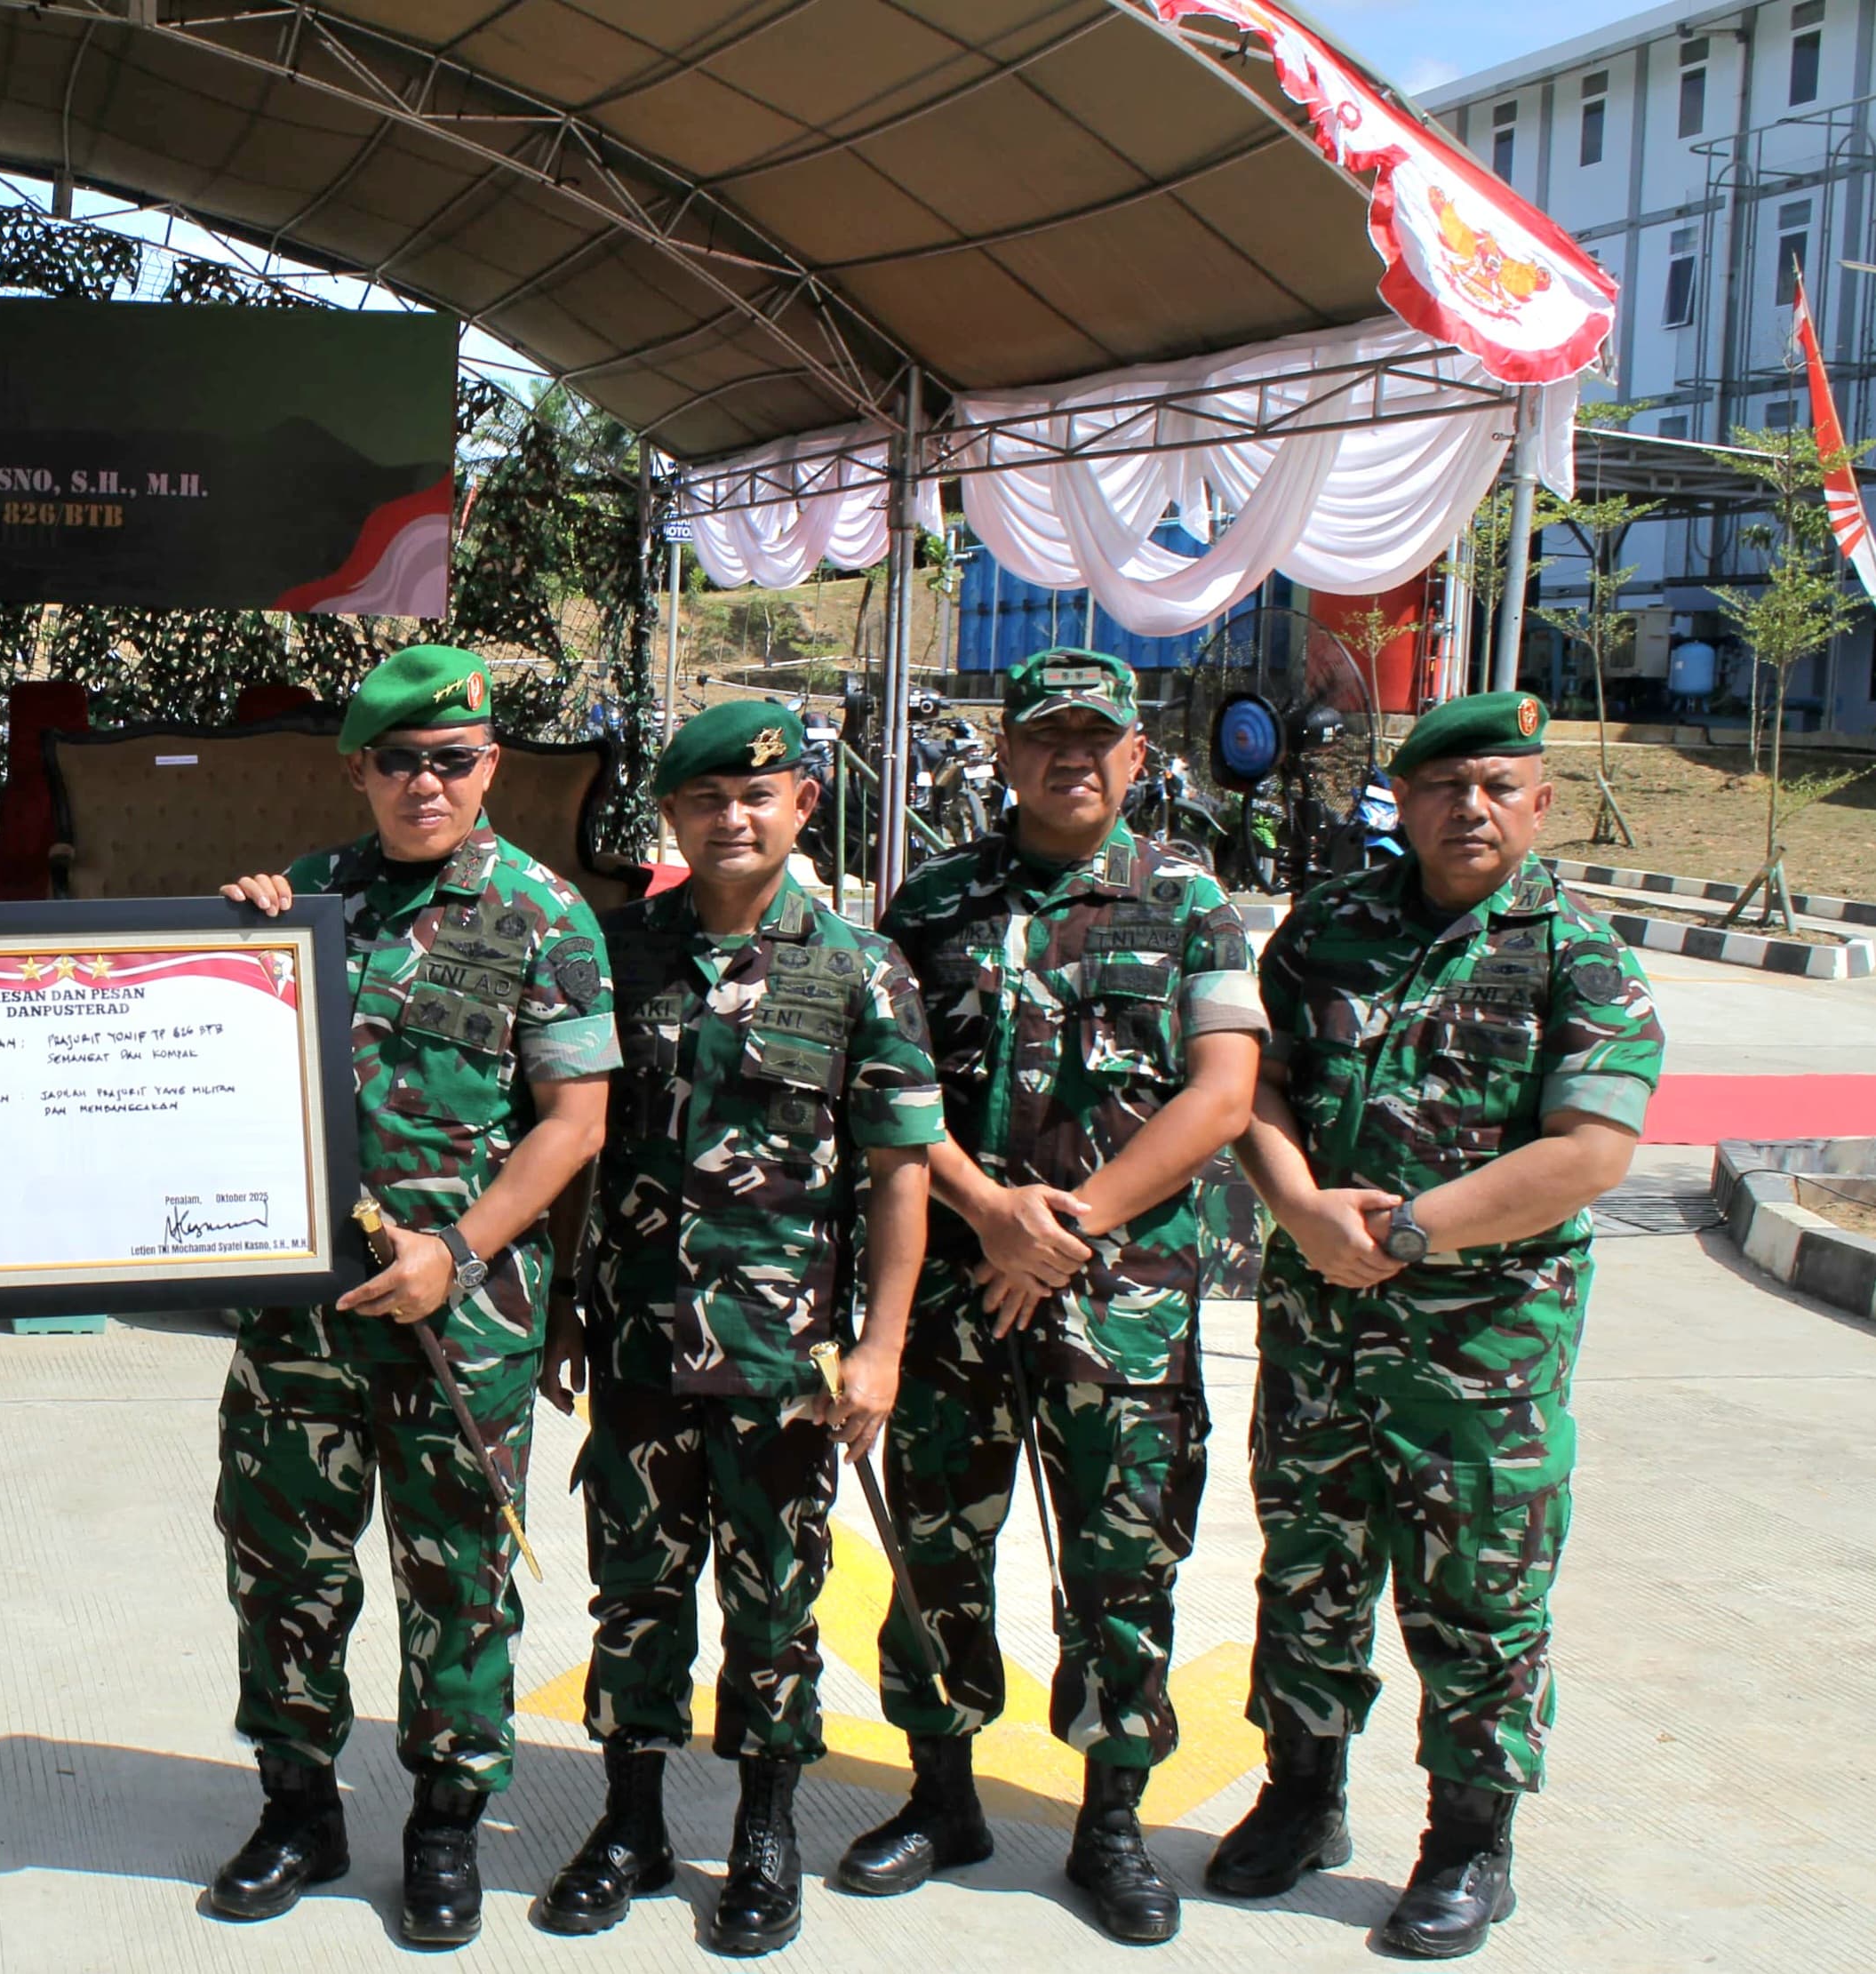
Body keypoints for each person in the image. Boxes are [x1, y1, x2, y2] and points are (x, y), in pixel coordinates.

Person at [1215, 692, 1659, 1960]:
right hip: (1318, 1334)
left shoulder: (1579, 955)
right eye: (1443, 785)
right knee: (1308, 1573)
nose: (1469, 807)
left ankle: (1469, 1842)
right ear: (1399, 802)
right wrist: (1298, 1205)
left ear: (1539, 803)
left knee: (1478, 1602)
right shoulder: (1328, 930)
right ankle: (1300, 1798)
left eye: (1496, 786)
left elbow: (1587, 1154)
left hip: (1483, 1357)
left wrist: (1402, 1232)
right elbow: (1261, 1088)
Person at [842, 648, 1266, 1946]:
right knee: (933, 1550)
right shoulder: (931, 903)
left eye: (1097, 738)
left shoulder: (1189, 899)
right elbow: (889, 1086)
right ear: (1005, 753)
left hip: (1117, 1294)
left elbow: (1220, 1092)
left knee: (1120, 1560)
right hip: (955, 1291)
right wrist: (989, 1213)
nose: (1070, 757)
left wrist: (1068, 1223)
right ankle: (941, 1795)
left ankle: (1111, 1821)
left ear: (1136, 758)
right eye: (1044, 736)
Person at [203, 643, 616, 1948]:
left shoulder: (546, 916)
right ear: (358, 770)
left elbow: (572, 1121)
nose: (424, 783)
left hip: (462, 1321)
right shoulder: (302, 897)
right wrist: (224, 948)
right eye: (397, 760)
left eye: (451, 759)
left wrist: (463, 1248)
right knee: (285, 1569)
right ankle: (296, 1807)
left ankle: (443, 1823)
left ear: (489, 763)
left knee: (459, 1579)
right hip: (298, 1316)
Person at [538, 699, 942, 1957]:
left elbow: (899, 1169)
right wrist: (558, 1305)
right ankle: (631, 1821)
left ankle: (765, 1833)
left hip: (786, 1365)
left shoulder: (857, 969)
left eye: (756, 796)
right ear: (670, 814)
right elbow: (569, 1147)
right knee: (634, 1597)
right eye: (705, 797)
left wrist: (877, 1348)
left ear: (801, 807)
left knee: (776, 1605)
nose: (731, 816)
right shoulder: (611, 954)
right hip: (641, 1350)